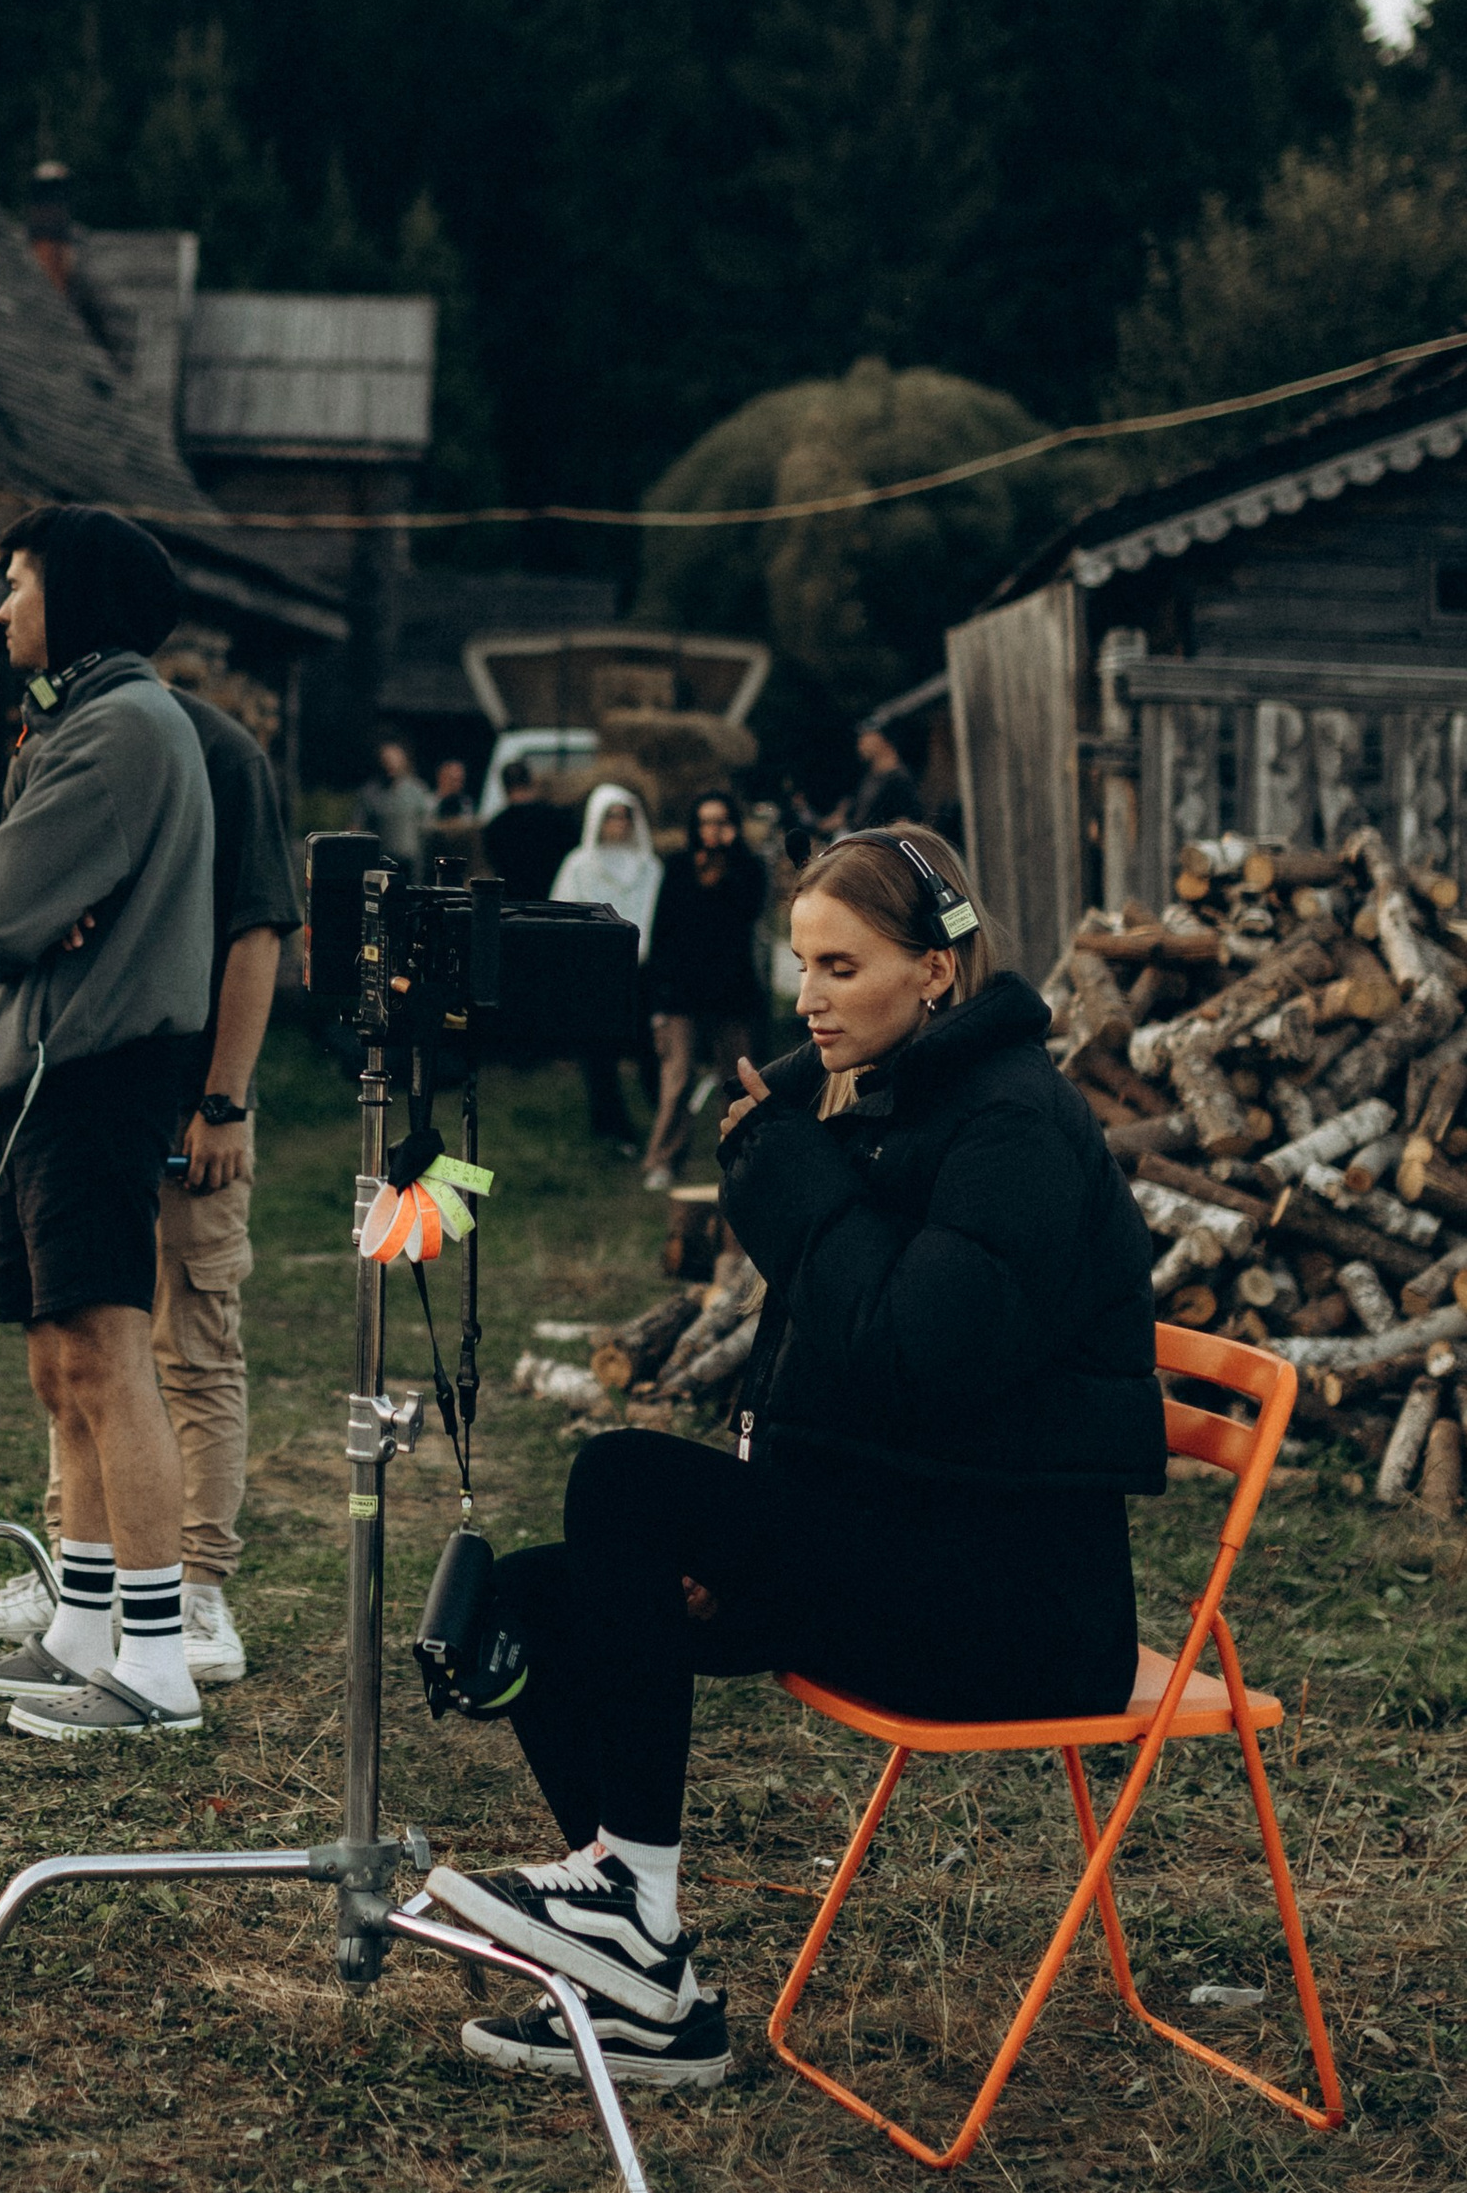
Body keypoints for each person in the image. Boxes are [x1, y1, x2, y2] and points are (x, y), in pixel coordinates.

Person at [423, 824, 1161, 2086]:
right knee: (532, 1606)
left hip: (1016, 1608)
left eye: (840, 967)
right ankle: (649, 1989)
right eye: (799, 966)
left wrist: (781, 1167)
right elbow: (854, 1379)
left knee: (622, 1479)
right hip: (905, 1551)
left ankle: (627, 1901)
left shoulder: (1015, 1126)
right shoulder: (893, 1101)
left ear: (934, 970)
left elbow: (915, 1357)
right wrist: (755, 1534)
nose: (807, 1000)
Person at [0, 664, 301, 1687]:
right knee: (79, 1344)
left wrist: (223, 1098)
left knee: (180, 1339)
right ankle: (78, 1583)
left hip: (177, 1093)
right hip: (72, 1083)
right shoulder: (67, 745)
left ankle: (193, 1589)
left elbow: (257, 934)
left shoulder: (217, 753)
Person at [0, 505, 215, 1743]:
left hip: (94, 1073)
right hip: (45, 1073)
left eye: (19, 581)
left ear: (77, 597)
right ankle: (85, 1626)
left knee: (108, 1354)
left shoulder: (115, 732)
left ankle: (154, 1665)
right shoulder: (85, 720)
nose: (3, 606)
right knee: (60, 1363)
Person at [638, 788, 768, 1195]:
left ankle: (740, 1157)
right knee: (677, 1079)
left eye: (720, 821)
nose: (711, 830)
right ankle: (662, 1159)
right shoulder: (678, 866)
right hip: (682, 989)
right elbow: (663, 930)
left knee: (735, 1079)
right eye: (705, 822)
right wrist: (657, 995)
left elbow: (749, 910)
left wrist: (734, 858)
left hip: (731, 989)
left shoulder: (748, 868)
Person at [550, 781, 663, 1146]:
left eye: (624, 817)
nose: (618, 824)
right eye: (611, 816)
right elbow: (565, 912)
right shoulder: (579, 865)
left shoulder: (649, 866)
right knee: (599, 1053)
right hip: (596, 970)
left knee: (649, 1047)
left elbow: (657, 915)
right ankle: (610, 1124)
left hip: (640, 970)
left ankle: (666, 1117)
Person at [478, 754, 569, 905]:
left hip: (514, 907)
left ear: (504, 787)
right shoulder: (558, 818)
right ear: (531, 782)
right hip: (553, 902)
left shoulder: (495, 827)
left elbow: (494, 866)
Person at [353, 734, 435, 874]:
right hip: (381, 863)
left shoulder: (417, 790)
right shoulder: (370, 793)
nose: (389, 764)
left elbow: (429, 825)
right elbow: (356, 826)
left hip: (412, 863)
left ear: (403, 761)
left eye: (394, 760)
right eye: (385, 760)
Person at [843, 722, 916, 832]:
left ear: (881, 738)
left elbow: (904, 821)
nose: (860, 743)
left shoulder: (899, 780)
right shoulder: (869, 777)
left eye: (866, 735)